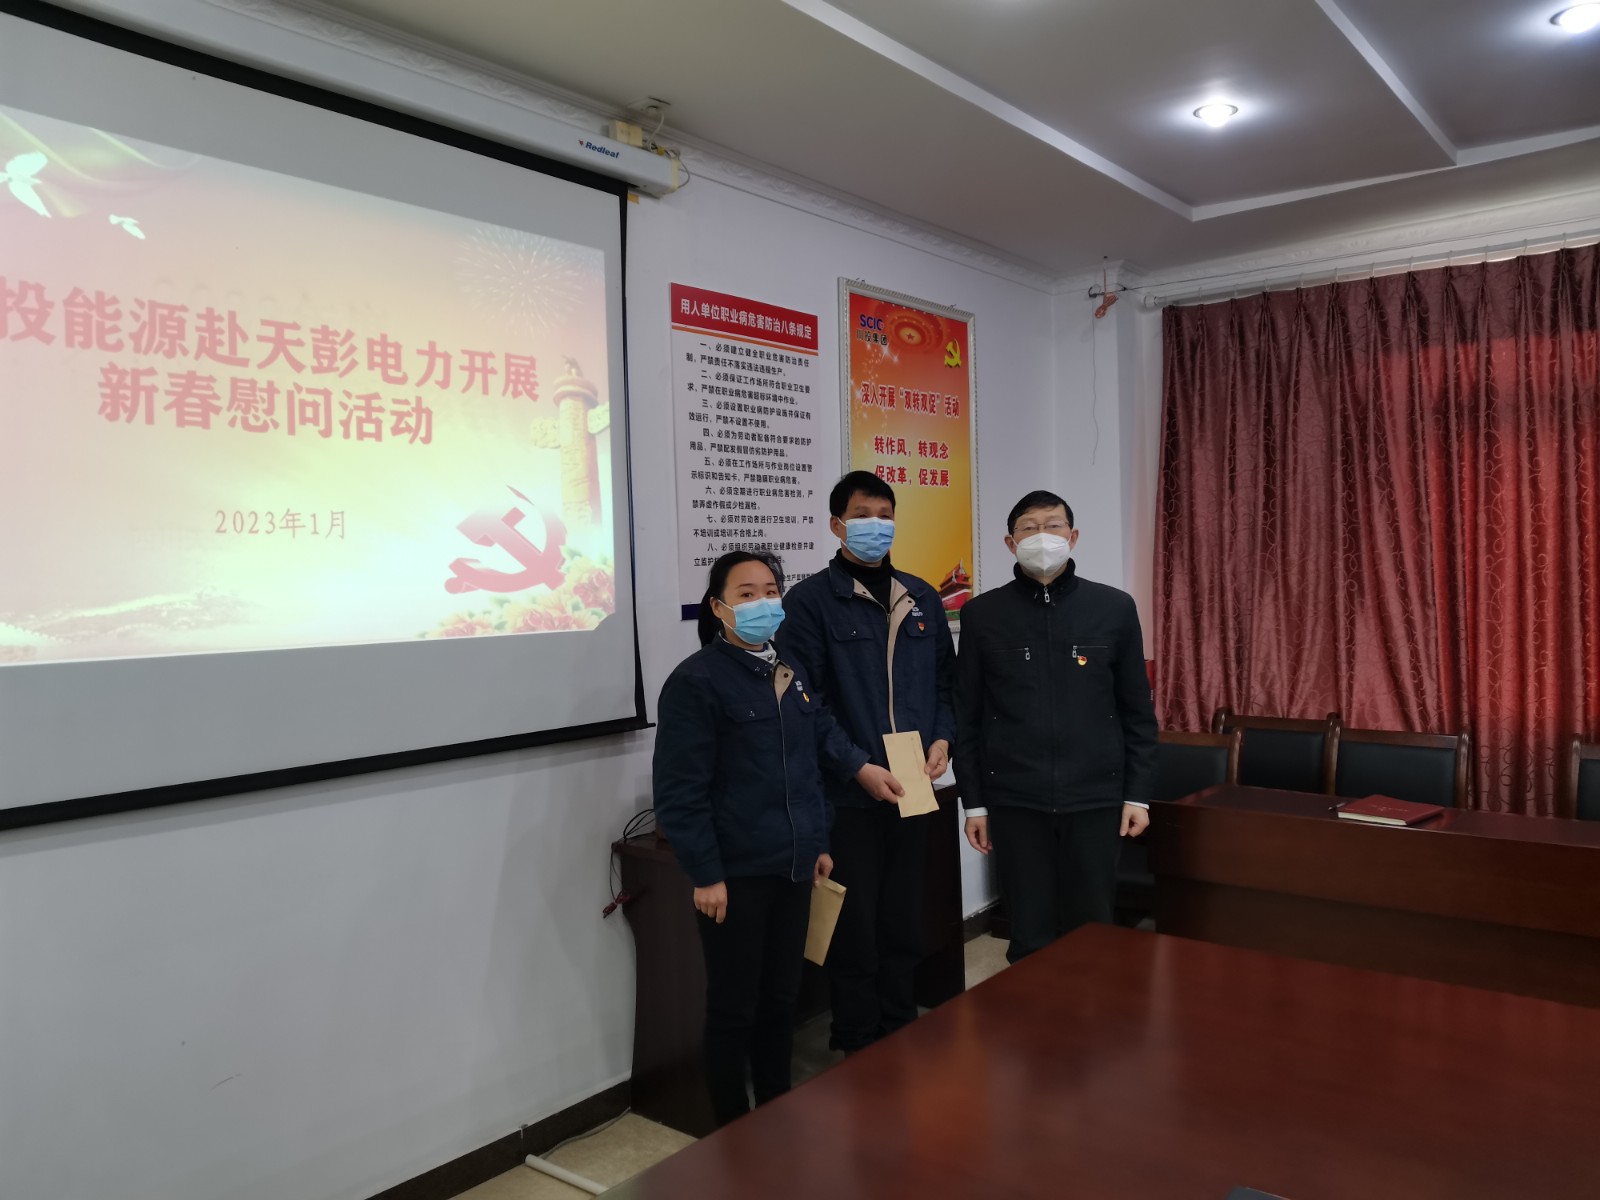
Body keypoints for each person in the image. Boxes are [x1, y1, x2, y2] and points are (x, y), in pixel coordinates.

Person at [652, 550, 901, 1125]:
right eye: (746, 594)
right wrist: (706, 874)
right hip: (736, 874)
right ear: (718, 608)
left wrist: (817, 842)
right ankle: (732, 1129)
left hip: (793, 865)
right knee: (734, 1006)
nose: (762, 603)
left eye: (770, 591)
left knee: (782, 998)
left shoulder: (787, 670)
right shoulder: (696, 682)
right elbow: (680, 793)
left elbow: (809, 763)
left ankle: (774, 1112)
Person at [778, 471, 956, 1052]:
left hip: (913, 784)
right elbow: (806, 701)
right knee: (855, 924)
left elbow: (945, 684)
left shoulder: (921, 596)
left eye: (885, 515)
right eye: (862, 516)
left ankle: (898, 1027)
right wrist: (856, 766)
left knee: (903, 916)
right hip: (848, 793)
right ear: (837, 525)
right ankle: (856, 1038)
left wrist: (943, 740)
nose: (875, 526)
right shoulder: (808, 603)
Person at [955, 490, 1157, 963]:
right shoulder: (982, 615)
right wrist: (974, 804)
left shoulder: (1114, 608)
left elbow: (1137, 711)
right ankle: (1033, 1010)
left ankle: (1092, 1010)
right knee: (1030, 930)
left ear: (1073, 536)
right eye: (1028, 528)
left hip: (1096, 797)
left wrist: (1137, 795)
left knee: (1093, 928)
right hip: (1015, 799)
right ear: (1010, 543)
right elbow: (967, 716)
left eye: (1053, 525)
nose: (1041, 536)